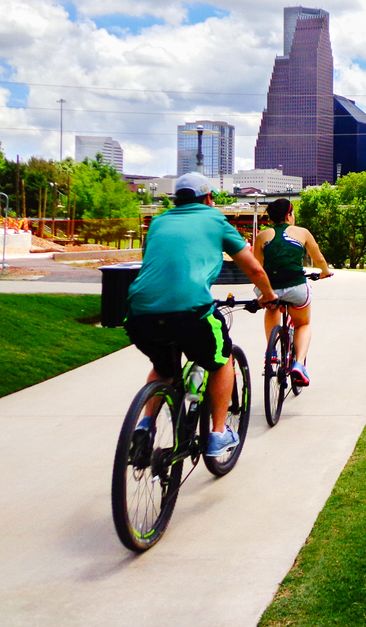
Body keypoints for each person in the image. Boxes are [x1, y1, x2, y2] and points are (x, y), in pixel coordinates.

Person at [125, 172, 277, 459]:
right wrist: (268, 296)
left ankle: (145, 425)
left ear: (176, 200)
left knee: (164, 367)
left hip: (139, 313)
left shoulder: (157, 221)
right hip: (190, 311)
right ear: (209, 199)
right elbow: (254, 269)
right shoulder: (216, 220)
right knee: (222, 359)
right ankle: (217, 434)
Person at [252, 197, 331, 387]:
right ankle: (298, 364)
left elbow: (257, 266)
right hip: (296, 287)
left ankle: (271, 352)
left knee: (272, 307)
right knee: (303, 324)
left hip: (271, 288)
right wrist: (325, 272)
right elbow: (318, 257)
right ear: (289, 214)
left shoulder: (262, 236)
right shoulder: (302, 232)